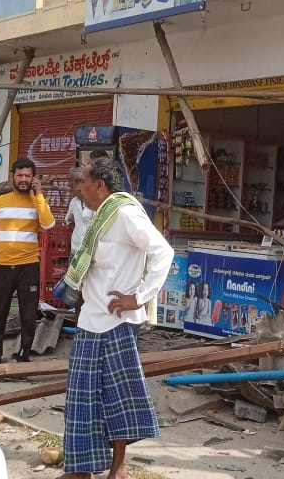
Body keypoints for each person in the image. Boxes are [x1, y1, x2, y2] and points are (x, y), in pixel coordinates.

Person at [58, 156, 172, 479]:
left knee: (117, 399)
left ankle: (118, 469)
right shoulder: (96, 216)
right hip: (89, 319)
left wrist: (138, 297)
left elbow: (163, 252)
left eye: (82, 181)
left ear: (100, 185)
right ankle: (80, 471)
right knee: (81, 401)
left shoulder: (124, 213)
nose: (78, 187)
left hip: (118, 322)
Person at [0, 158, 55, 364]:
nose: (23, 179)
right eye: (19, 175)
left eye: (28, 176)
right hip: (2, 267)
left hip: (29, 266)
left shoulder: (38, 201)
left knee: (28, 315)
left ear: (33, 179)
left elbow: (48, 224)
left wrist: (39, 196)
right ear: (12, 176)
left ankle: (24, 354)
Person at [64, 166, 94, 256]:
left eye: (71, 181)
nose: (69, 184)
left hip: (90, 254)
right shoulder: (74, 201)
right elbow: (69, 221)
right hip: (75, 251)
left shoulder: (95, 202)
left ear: (80, 183)